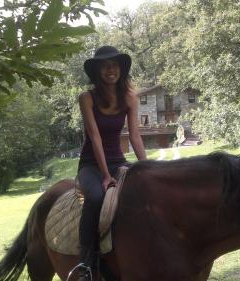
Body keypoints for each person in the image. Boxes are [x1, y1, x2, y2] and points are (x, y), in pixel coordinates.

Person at [76, 45, 147, 280]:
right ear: (97, 71)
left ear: (121, 69)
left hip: (118, 160)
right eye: (105, 66)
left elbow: (135, 136)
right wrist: (106, 176)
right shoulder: (87, 98)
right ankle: (85, 262)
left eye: (114, 65)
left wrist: (147, 167)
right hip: (90, 165)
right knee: (96, 197)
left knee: (143, 191)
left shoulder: (129, 98)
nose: (110, 70)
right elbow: (94, 137)